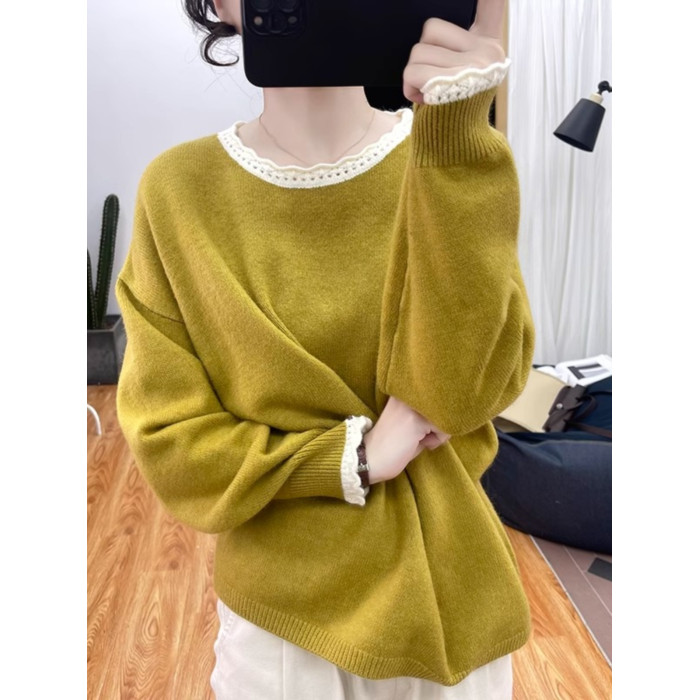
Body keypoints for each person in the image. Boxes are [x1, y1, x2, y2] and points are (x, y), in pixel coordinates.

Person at [115, 0, 536, 697]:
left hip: (449, 595)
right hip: (283, 628)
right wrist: (354, 457)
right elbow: (172, 442)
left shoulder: (447, 153)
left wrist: (460, 130)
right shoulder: (177, 191)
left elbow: (470, 391)